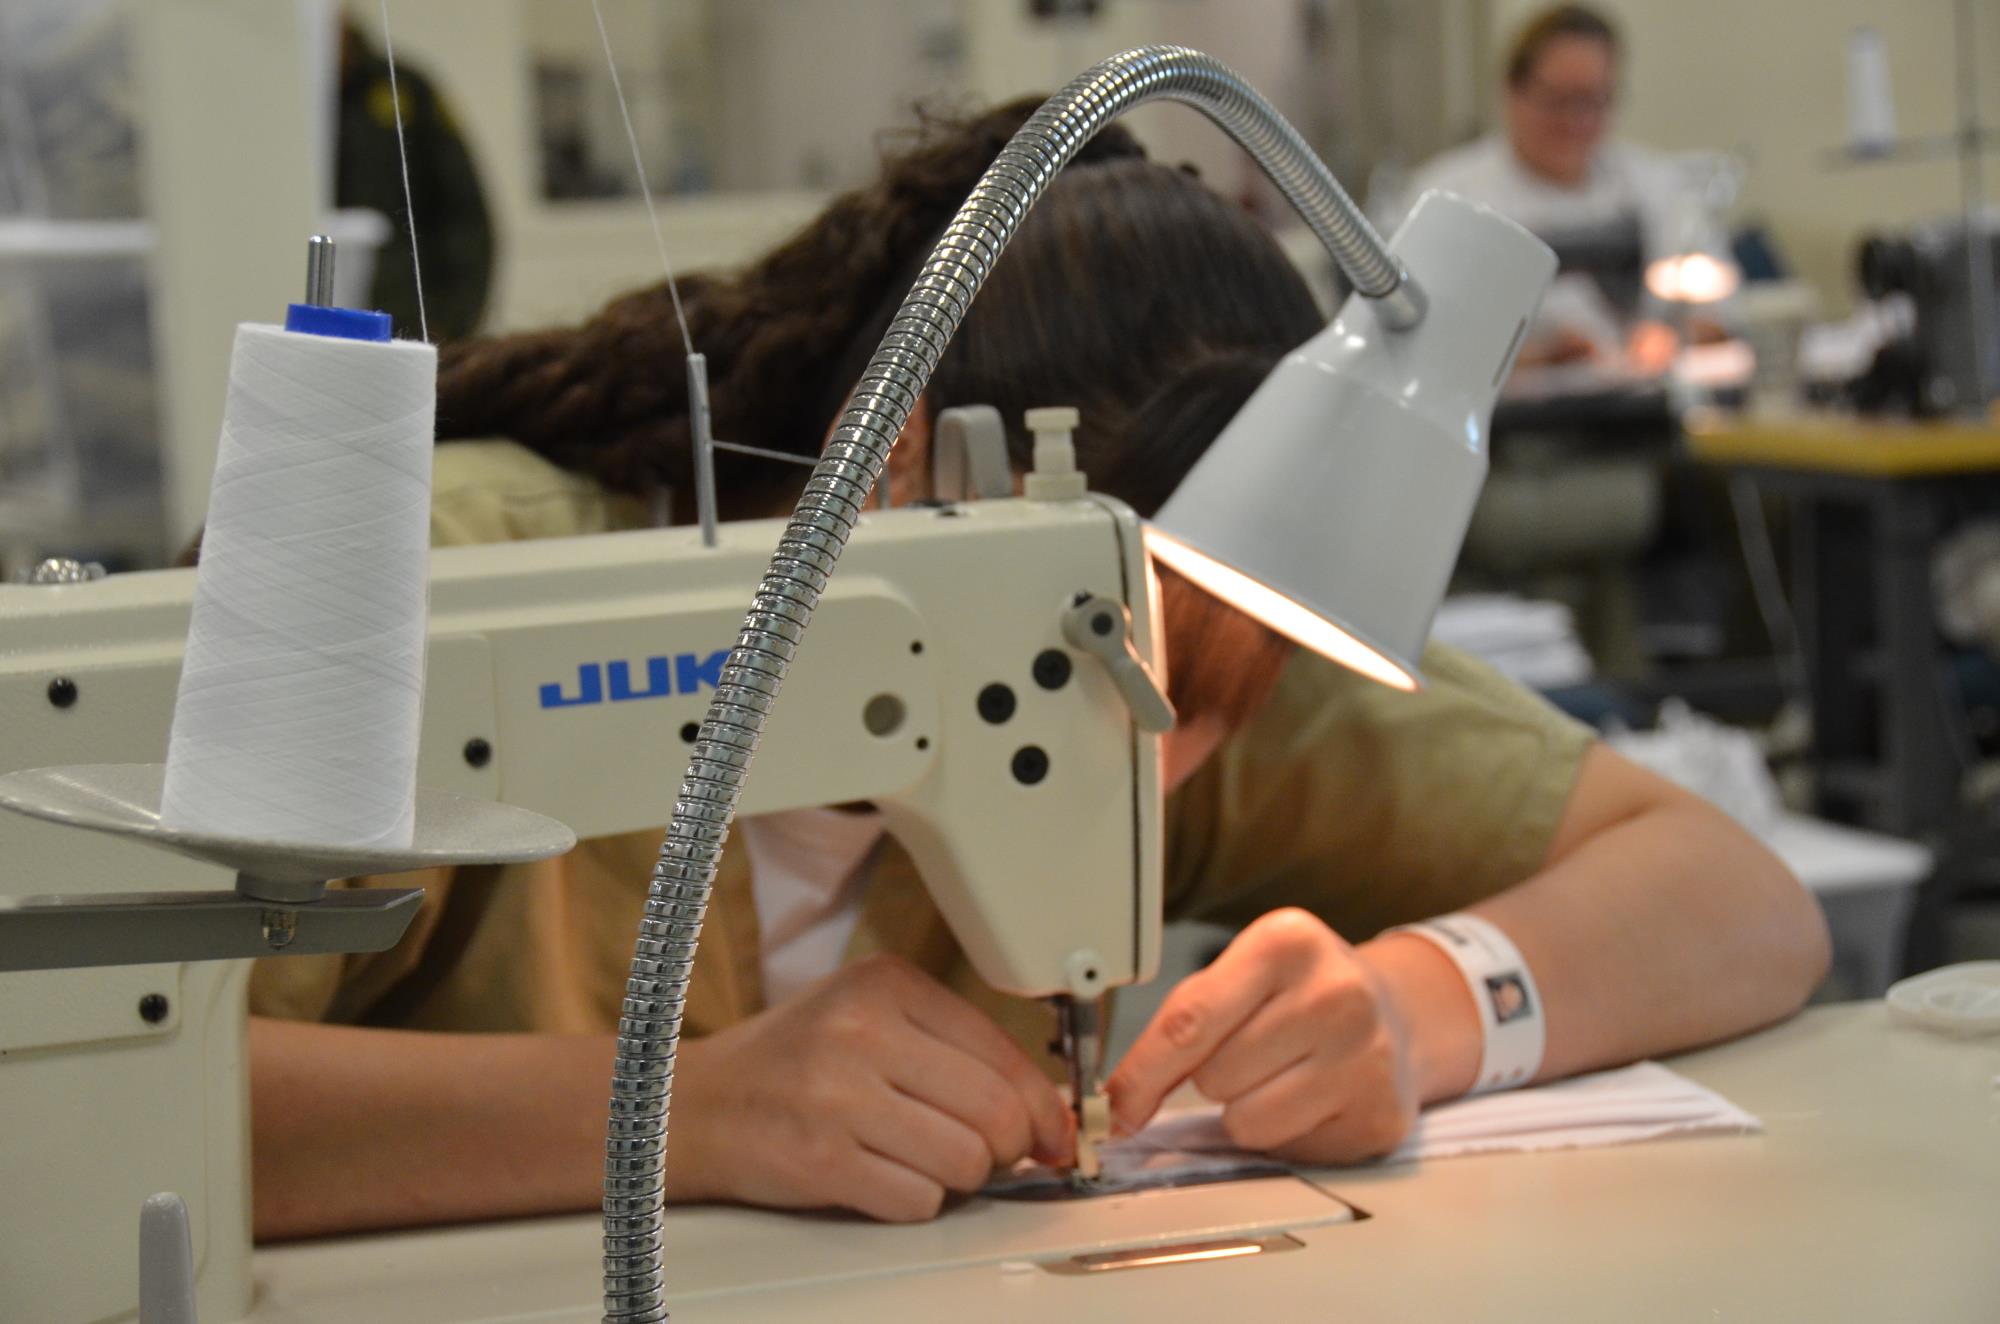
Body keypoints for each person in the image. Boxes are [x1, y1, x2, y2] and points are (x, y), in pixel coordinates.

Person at [247, 98, 1829, 1240]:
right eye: (1124, 695)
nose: (1166, 769)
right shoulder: (454, 585)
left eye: (1213, 711)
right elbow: (75, 1100)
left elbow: (1736, 902)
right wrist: (690, 1115)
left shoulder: (1201, 625)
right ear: (907, 475)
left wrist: (1418, 1012)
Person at [1380, 5, 1720, 371]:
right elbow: (1410, 341)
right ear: (1512, 90)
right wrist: (1533, 358)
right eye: (1558, 101)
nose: (1577, 121)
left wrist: (1671, 337)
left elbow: (1719, 315)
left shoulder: (1654, 185)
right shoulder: (1445, 198)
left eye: (1594, 101)